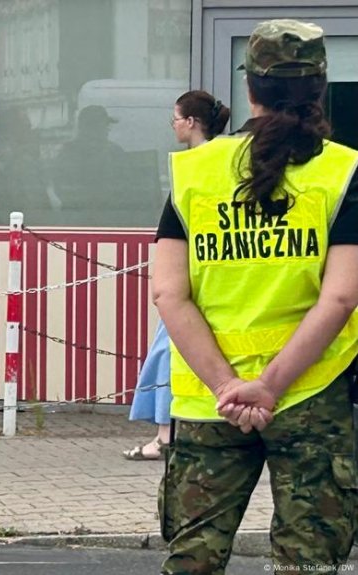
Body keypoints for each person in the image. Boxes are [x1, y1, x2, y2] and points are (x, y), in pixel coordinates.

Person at [153, 20, 358, 573]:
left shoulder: (192, 171)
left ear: (250, 89)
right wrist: (268, 386)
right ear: (319, 86)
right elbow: (340, 300)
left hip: (208, 399)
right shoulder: (343, 172)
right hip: (312, 394)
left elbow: (169, 294)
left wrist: (227, 384)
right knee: (307, 562)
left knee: (192, 559)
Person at [123, 91, 230, 461]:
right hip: (209, 274)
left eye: (175, 118)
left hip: (190, 276)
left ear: (190, 122)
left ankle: (166, 433)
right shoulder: (225, 162)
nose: (173, 125)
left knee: (169, 350)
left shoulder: (193, 169)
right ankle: (169, 431)